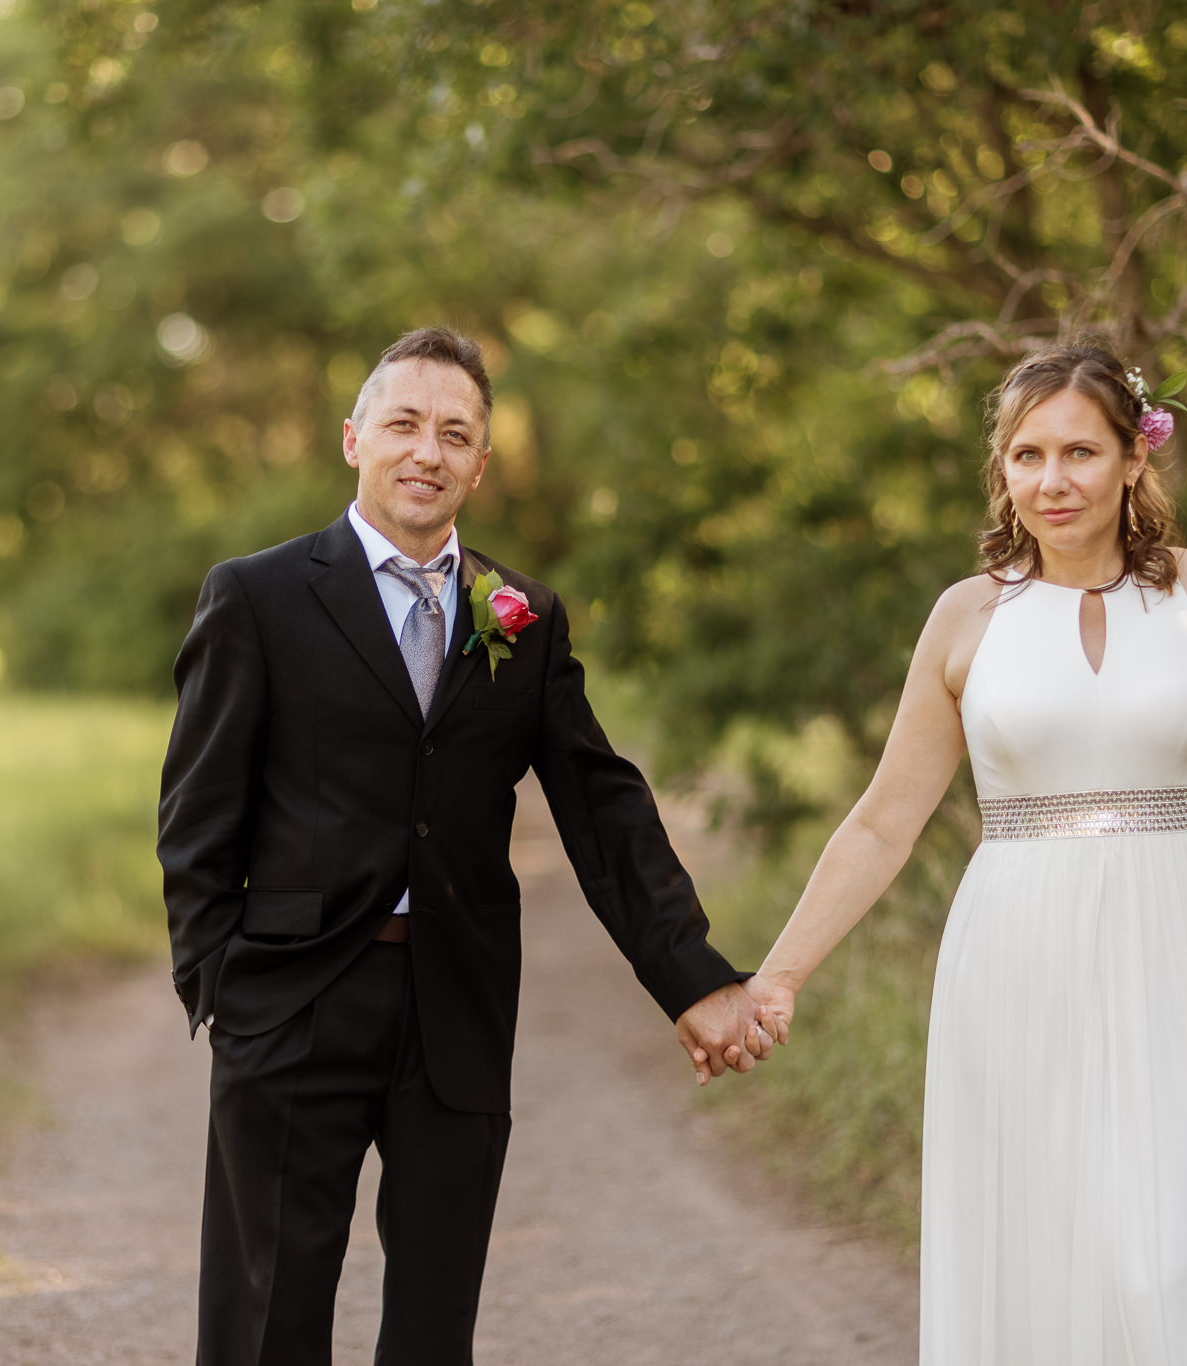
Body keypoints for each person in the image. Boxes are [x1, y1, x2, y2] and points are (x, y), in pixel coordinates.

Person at [157, 326, 771, 1365]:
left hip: (457, 1006)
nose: (425, 452)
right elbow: (196, 810)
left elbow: (599, 802)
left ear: (480, 463)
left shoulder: (521, 619)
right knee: (268, 1314)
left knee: (436, 1322)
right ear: (353, 438)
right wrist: (219, 984)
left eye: (453, 433)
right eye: (402, 424)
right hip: (291, 1001)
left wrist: (691, 977)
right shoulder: (257, 597)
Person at [742, 343, 1187, 1364]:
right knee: (1051, 1252)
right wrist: (779, 975)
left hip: (1184, 962)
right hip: (1018, 969)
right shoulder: (966, 616)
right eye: (1025, 456)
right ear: (1000, 471)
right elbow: (885, 818)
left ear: (1131, 461)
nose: (1050, 481)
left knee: (1175, 1257)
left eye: (1077, 453)